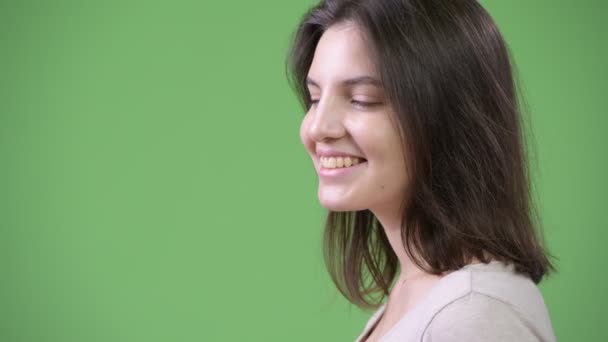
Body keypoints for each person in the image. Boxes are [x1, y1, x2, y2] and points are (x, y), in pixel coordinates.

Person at [286, 0, 557, 341]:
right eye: (314, 98)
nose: (317, 128)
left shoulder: (471, 315)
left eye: (362, 99)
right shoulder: (424, 293)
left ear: (450, 117)